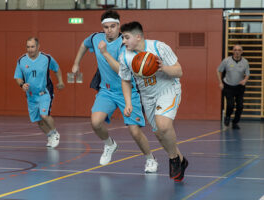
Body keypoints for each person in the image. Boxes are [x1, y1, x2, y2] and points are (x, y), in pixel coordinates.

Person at [71, 10, 158, 173]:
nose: (109, 30)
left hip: (128, 91)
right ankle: (110, 144)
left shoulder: (126, 44)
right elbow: (84, 45)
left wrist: (104, 52)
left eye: (113, 26)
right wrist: (77, 63)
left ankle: (150, 159)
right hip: (106, 91)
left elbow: (121, 70)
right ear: (102, 27)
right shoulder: (95, 38)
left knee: (134, 131)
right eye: (106, 27)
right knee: (96, 123)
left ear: (119, 26)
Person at [119, 21, 188, 182]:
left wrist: (163, 67)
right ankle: (182, 160)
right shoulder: (125, 56)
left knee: (163, 125)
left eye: (126, 37)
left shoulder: (159, 47)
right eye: (123, 38)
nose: (123, 41)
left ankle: (173, 159)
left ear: (138, 37)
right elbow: (125, 80)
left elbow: (179, 71)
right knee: (159, 133)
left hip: (168, 89)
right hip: (148, 96)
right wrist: (128, 103)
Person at [14, 37, 64, 148]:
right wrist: (22, 85)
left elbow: (56, 69)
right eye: (28, 47)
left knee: (44, 115)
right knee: (39, 121)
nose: (30, 49)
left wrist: (60, 81)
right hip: (31, 95)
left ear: (38, 46)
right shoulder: (21, 60)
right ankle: (50, 135)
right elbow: (17, 77)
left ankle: (55, 133)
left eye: (32, 46)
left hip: (44, 92)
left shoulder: (47, 58)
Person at [217, 44, 250, 129]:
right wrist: (220, 82)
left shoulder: (245, 62)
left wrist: (245, 80)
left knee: (240, 105)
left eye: (239, 50)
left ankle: (235, 122)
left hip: (239, 86)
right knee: (230, 104)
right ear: (233, 51)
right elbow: (218, 70)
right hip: (228, 86)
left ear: (242, 52)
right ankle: (227, 117)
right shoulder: (226, 61)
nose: (237, 52)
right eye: (235, 50)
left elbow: (247, 74)